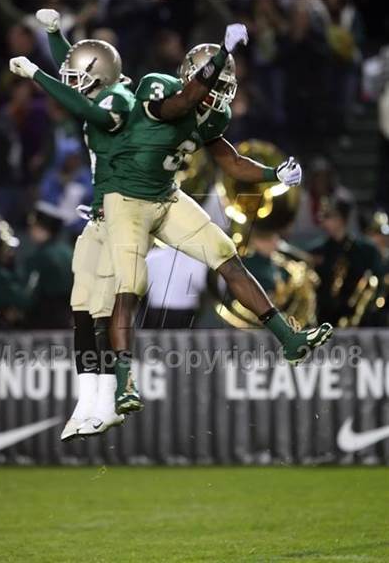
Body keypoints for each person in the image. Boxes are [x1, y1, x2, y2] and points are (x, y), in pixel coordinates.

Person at [94, 30, 333, 424]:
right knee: (131, 285)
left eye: (225, 84)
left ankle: (289, 339)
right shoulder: (162, 87)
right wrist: (224, 52)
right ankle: (123, 382)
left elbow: (233, 162)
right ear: (192, 74)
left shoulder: (213, 114)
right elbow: (182, 102)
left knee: (227, 255)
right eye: (215, 80)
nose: (218, 92)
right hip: (127, 199)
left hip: (165, 195)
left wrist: (276, 173)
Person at [10, 8, 135, 440]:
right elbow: (76, 73)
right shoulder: (101, 87)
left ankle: (111, 400)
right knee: (82, 311)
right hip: (101, 216)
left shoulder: (118, 100)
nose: (75, 82)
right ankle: (88, 402)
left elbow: (81, 100)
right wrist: (54, 34)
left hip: (126, 216)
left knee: (101, 315)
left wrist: (36, 76)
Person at [310, 198, 382, 326]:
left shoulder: (366, 250)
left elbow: (377, 282)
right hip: (325, 320)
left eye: (328, 216)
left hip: (361, 321)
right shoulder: (317, 251)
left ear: (342, 219)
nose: (323, 221)